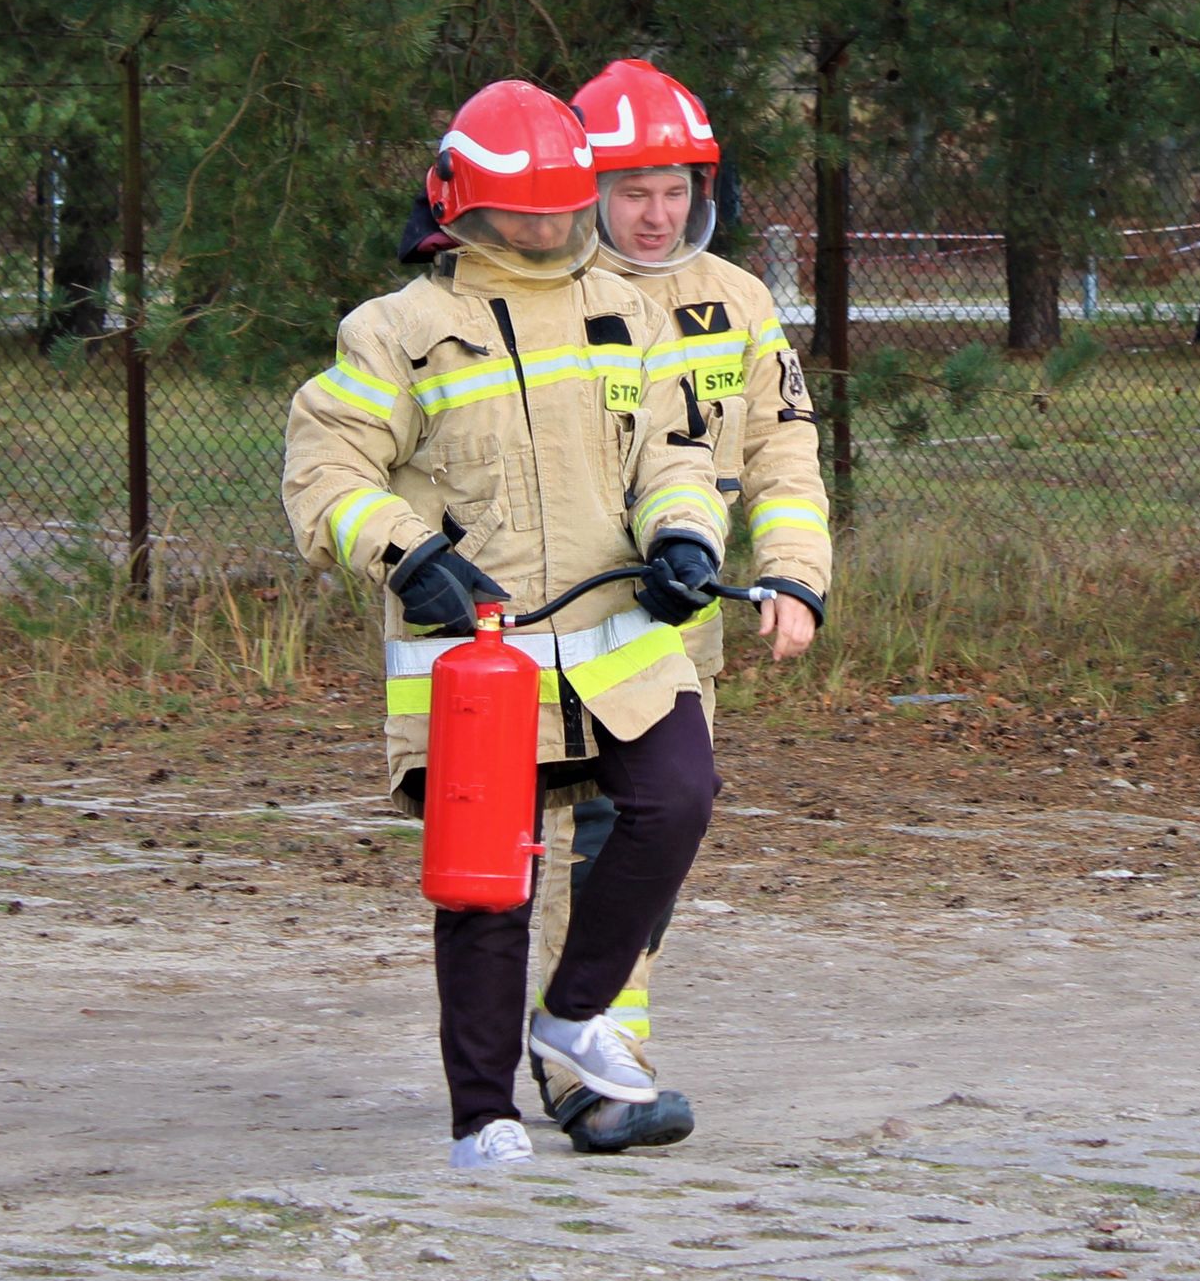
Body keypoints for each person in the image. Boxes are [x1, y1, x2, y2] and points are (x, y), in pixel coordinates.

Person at [283, 79, 732, 1169]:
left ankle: (573, 1015)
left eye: (562, 211)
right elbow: (325, 469)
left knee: (679, 797)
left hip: (620, 642)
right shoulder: (396, 332)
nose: (546, 232)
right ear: (462, 209)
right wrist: (409, 555)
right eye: (523, 215)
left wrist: (685, 537)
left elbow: (673, 453)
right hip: (477, 663)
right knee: (490, 891)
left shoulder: (625, 312)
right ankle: (481, 1117)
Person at [524, 58, 834, 1153]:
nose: (655, 215)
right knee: (580, 839)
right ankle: (575, 1069)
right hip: (561, 617)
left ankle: (597, 1058)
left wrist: (794, 574)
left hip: (679, 626)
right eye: (630, 192)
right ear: (587, 192)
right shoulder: (543, 298)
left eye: (673, 191)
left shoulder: (737, 302)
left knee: (642, 848)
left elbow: (783, 453)